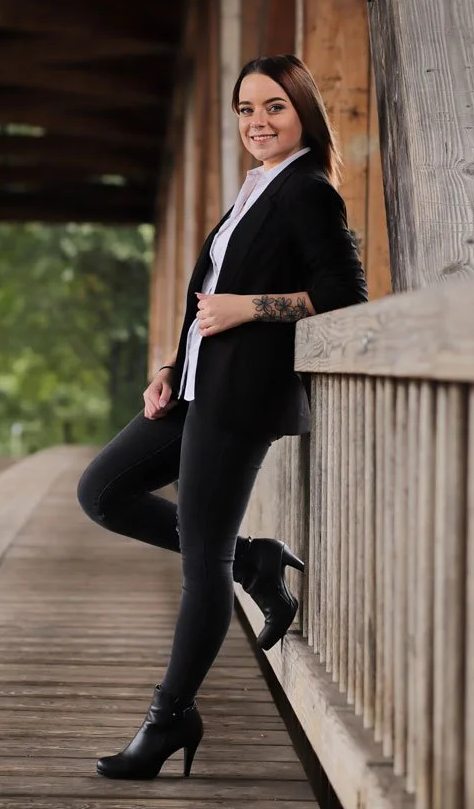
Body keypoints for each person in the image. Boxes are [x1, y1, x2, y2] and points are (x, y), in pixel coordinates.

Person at [76, 54, 368, 781]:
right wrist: (170, 369)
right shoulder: (255, 188)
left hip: (240, 400)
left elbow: (345, 295)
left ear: (301, 111)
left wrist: (252, 309)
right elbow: (208, 294)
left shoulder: (306, 190)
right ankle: (257, 560)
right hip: (197, 390)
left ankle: (168, 718)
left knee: (201, 570)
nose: (257, 122)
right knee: (101, 493)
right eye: (245, 109)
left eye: (273, 107)